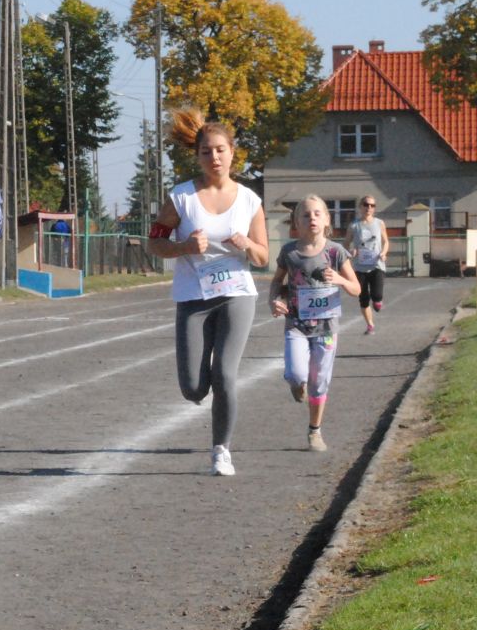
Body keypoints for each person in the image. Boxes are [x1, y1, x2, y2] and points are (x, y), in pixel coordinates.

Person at [147, 108, 270, 477]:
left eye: (220, 150)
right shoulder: (181, 198)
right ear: (197, 156)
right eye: (206, 152)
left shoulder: (249, 200)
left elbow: (263, 257)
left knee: (225, 375)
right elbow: (154, 243)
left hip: (237, 295)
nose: (214, 157)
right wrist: (184, 246)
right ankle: (202, 401)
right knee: (193, 387)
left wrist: (247, 243)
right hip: (193, 297)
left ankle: (221, 450)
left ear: (232, 152)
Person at [269, 196, 361, 452]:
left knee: (319, 381)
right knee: (297, 374)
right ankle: (296, 384)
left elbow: (356, 288)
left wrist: (340, 280)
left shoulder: (335, 252)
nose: (312, 218)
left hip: (326, 328)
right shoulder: (289, 252)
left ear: (327, 220)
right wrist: (274, 300)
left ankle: (314, 431)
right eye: (306, 215)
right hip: (296, 325)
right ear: (296, 222)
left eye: (318, 214)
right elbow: (277, 282)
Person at [346, 195, 389, 335]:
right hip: (360, 267)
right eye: (366, 204)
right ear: (360, 207)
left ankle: (378, 301)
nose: (369, 208)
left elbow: (386, 241)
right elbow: (346, 244)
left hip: (376, 265)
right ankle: (370, 324)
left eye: (372, 205)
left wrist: (383, 253)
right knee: (363, 298)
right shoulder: (354, 225)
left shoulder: (379, 223)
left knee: (377, 295)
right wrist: (351, 251)